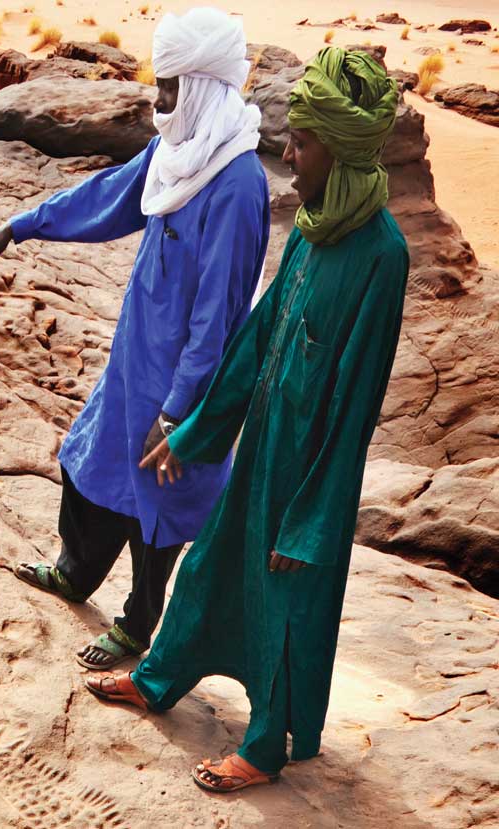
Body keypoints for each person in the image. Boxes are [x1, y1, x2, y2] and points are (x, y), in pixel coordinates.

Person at [86, 46, 408, 794]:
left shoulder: (381, 255)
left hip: (306, 475)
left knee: (284, 609)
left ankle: (265, 749)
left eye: (303, 142)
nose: (287, 154)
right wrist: (196, 433)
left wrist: (312, 522)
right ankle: (158, 678)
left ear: (340, 151)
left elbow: (355, 407)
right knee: (210, 564)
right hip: (262, 445)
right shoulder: (314, 228)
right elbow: (256, 343)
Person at [0, 7, 269, 670]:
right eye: (159, 84)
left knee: (160, 504)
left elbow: (218, 317)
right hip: (134, 360)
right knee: (88, 462)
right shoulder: (176, 152)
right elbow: (107, 197)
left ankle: (136, 626)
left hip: (183, 380)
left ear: (201, 88)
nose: (158, 101)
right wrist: (16, 228)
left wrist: (178, 413)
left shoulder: (236, 185)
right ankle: (74, 572)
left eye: (170, 87)